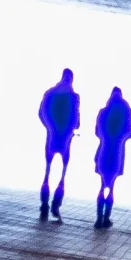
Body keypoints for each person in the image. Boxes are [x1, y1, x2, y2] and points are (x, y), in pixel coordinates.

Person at [38, 68, 80, 221]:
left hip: (52, 135)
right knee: (62, 175)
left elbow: (41, 112)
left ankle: (44, 206)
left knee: (47, 172)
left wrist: (49, 126)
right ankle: (56, 206)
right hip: (65, 138)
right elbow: (77, 118)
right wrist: (73, 129)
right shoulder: (74, 97)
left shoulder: (50, 93)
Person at [94, 87, 131, 229]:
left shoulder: (103, 112)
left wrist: (105, 138)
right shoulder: (126, 112)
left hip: (103, 149)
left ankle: (98, 219)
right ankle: (106, 218)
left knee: (102, 184)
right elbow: (130, 132)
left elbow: (97, 131)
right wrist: (119, 139)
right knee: (111, 187)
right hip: (117, 152)